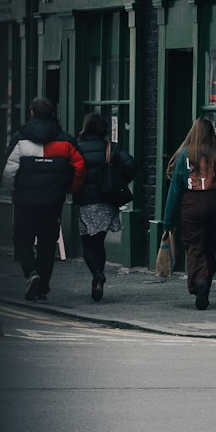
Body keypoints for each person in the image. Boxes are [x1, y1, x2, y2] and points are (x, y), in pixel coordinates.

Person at [2, 97, 85, 302]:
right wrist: (70, 189)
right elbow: (80, 166)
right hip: (52, 201)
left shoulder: (20, 139)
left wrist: (13, 190)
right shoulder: (66, 140)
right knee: (47, 244)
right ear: (52, 114)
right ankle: (42, 289)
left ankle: (31, 273)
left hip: (24, 201)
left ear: (32, 113)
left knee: (22, 239)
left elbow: (8, 170)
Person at [163, 118, 216, 310]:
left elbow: (175, 190)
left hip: (192, 204)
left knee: (194, 248)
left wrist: (167, 220)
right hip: (215, 203)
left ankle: (199, 282)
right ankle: (204, 286)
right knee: (209, 249)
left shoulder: (184, 155)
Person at [74, 112, 138, 302]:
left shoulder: (77, 148)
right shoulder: (112, 148)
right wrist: (119, 182)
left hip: (85, 203)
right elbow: (131, 164)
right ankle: (99, 274)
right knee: (99, 243)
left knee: (88, 245)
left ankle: (97, 274)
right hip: (106, 202)